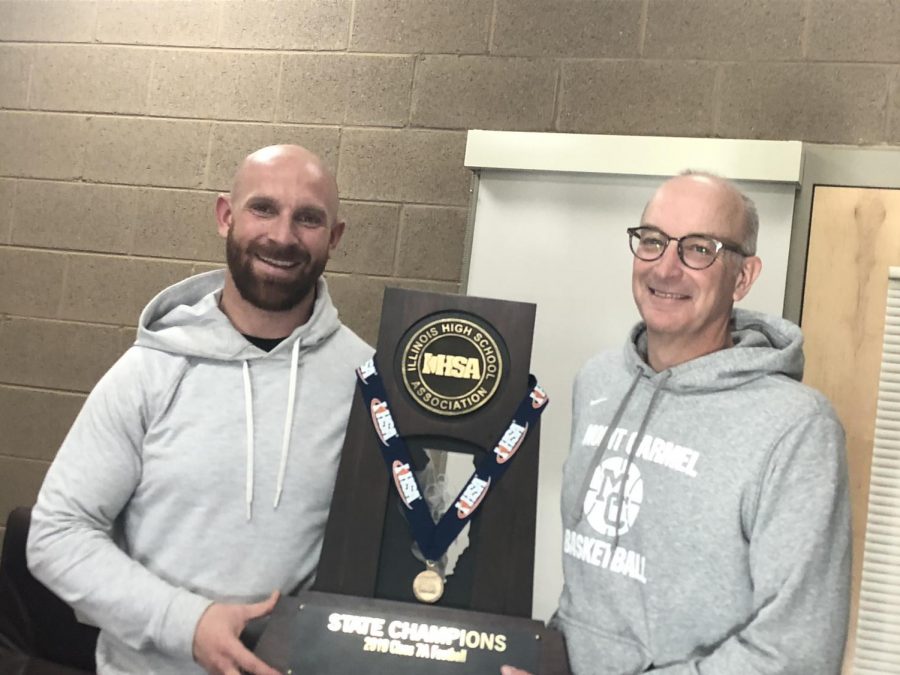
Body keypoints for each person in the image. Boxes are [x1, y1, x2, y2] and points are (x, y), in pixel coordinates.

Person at [26, 145, 373, 674]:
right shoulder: (150, 371)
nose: (282, 236)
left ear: (335, 237)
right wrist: (187, 623)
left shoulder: (368, 382)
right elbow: (56, 534)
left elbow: (405, 548)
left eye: (307, 218)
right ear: (225, 216)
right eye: (263, 208)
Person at [503, 172, 851, 674]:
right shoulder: (600, 380)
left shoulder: (797, 429)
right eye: (652, 241)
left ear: (743, 276)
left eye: (699, 249)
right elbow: (595, 593)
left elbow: (796, 653)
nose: (666, 268)